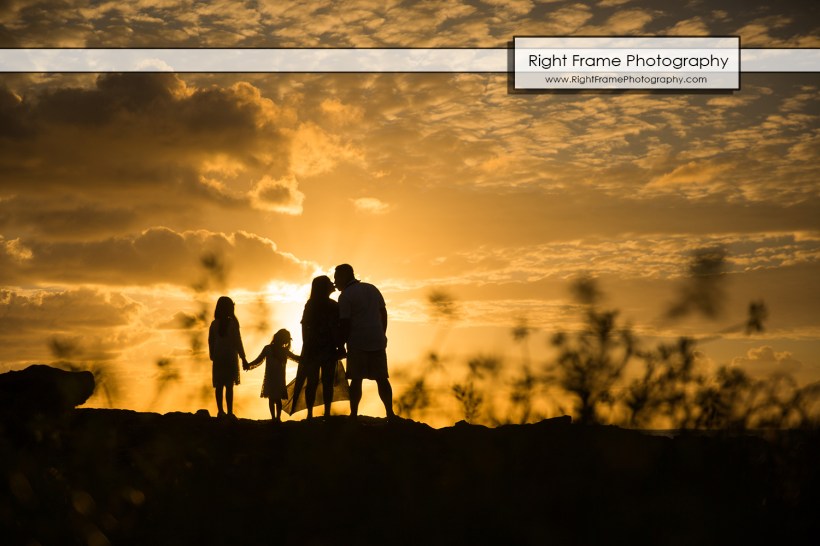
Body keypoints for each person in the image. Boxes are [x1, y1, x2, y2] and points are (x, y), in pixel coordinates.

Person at [333, 264, 396, 420]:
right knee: (382, 378)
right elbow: (383, 313)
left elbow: (345, 323)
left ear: (344, 276)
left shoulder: (345, 296)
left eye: (336, 278)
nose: (335, 282)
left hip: (357, 341)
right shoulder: (372, 289)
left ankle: (353, 414)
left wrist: (340, 345)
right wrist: (383, 333)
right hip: (377, 339)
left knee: (356, 379)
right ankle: (390, 412)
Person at [291, 275, 346, 419]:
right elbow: (336, 328)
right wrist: (340, 346)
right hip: (326, 349)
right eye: (329, 282)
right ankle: (326, 413)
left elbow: (304, 327)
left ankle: (311, 414)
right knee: (326, 382)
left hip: (313, 349)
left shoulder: (311, 304)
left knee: (313, 382)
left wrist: (306, 345)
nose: (332, 283)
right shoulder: (333, 306)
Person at [245, 329, 299, 422]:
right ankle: (277, 418)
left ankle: (275, 418)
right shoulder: (281, 351)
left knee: (273, 399)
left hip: (272, 378)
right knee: (276, 399)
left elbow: (258, 360)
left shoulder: (270, 349)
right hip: (278, 379)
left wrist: (249, 365)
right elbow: (296, 358)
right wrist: (249, 365)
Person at [208, 296, 248, 418]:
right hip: (230, 357)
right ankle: (229, 412)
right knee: (229, 386)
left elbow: (211, 341)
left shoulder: (214, 324)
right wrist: (243, 358)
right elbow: (238, 342)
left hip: (219, 357)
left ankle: (220, 411)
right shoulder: (233, 324)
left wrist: (212, 355)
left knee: (219, 386)